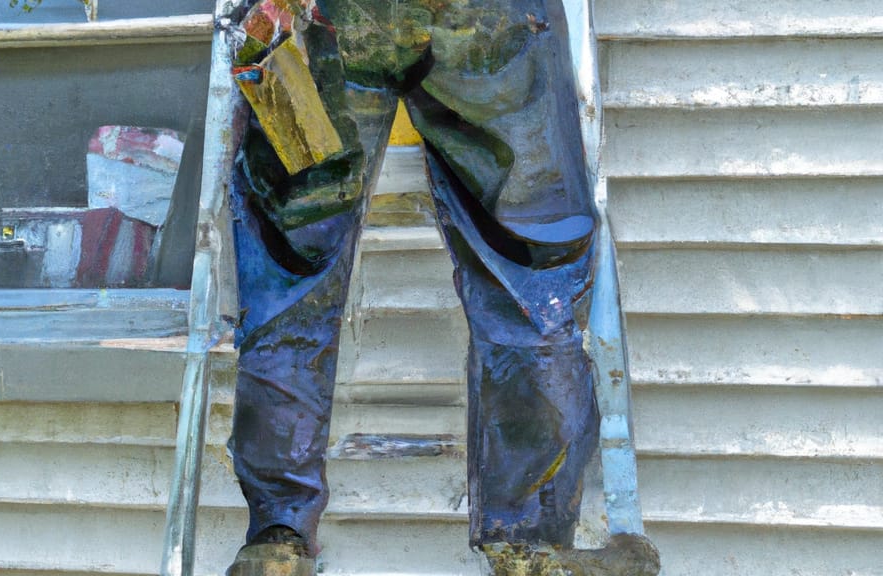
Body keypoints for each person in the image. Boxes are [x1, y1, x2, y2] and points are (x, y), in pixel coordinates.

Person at [223, 1, 659, 574]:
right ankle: (527, 540)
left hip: (322, 16)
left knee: (292, 271)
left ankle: (276, 539)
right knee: (524, 272)